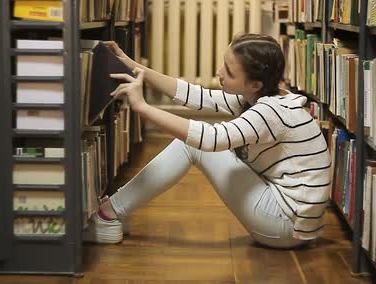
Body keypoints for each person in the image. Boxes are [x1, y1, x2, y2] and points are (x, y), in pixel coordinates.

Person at [84, 33, 331, 249]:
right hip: (293, 219)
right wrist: (133, 66)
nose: (219, 73)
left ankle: (108, 215)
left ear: (255, 84)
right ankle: (116, 209)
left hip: (286, 226)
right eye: (224, 63)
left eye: (229, 71)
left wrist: (141, 106)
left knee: (191, 142)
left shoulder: (270, 113)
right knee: (195, 139)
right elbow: (195, 94)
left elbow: (211, 140)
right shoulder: (261, 96)